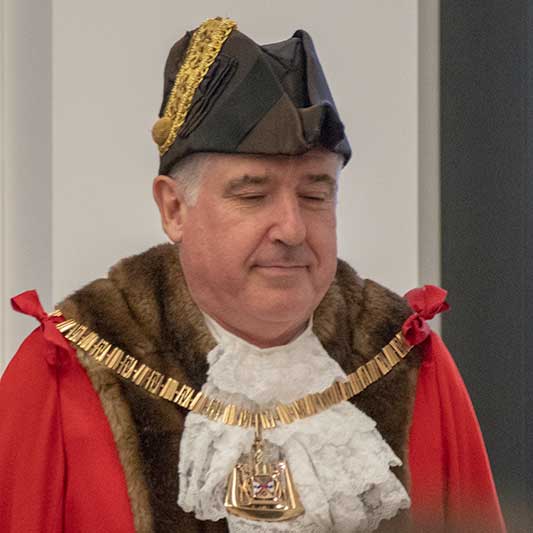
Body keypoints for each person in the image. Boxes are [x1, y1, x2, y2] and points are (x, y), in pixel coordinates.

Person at [0, 16, 505, 533]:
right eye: (253, 195)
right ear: (174, 209)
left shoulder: (407, 362)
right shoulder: (65, 374)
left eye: (315, 194)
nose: (292, 228)